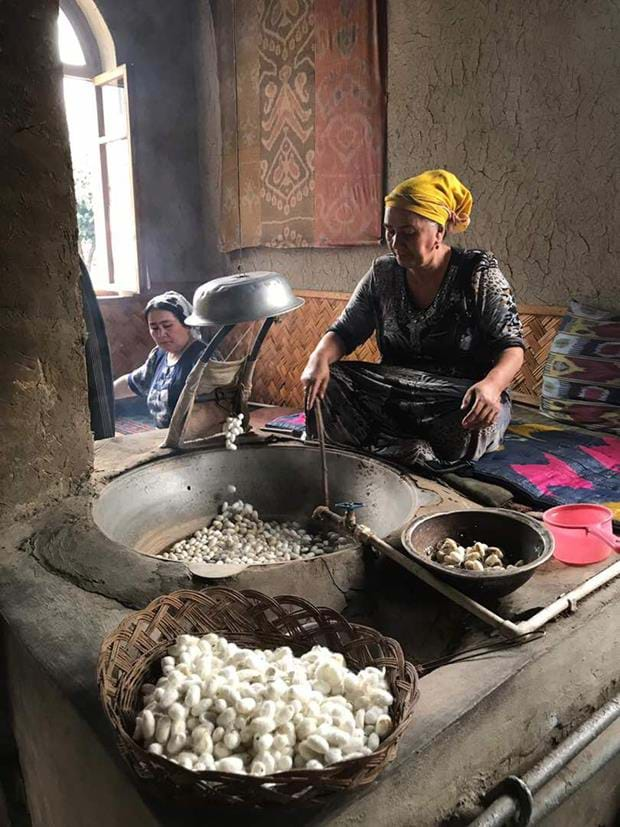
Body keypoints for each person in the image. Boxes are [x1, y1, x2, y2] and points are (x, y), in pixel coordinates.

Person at [301, 169, 525, 470]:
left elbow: (511, 346)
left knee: (473, 420)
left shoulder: (477, 273)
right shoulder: (382, 274)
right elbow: (345, 332)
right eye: (389, 230)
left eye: (408, 233)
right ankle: (409, 451)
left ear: (439, 233)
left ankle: (386, 445)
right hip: (395, 390)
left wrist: (492, 386)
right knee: (331, 381)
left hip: (456, 396)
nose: (395, 242)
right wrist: (318, 359)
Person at [113, 291, 206, 429]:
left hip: (191, 439)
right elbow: (133, 382)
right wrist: (100, 397)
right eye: (154, 328)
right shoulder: (159, 355)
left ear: (187, 324)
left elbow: (214, 407)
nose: (161, 334)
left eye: (167, 326)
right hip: (161, 436)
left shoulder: (202, 358)